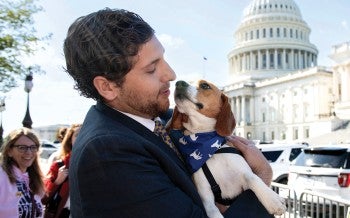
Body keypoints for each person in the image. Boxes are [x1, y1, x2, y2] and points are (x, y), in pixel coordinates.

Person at [64, 8, 273, 218]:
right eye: (151, 69)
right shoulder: (106, 153)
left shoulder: (167, 120)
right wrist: (261, 177)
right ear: (108, 87)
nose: (171, 74)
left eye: (163, 59)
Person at [0, 127, 45, 217]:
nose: (28, 152)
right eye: (22, 147)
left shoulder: (34, 178)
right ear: (9, 151)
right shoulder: (2, 176)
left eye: (33, 147)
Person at [42, 124, 81, 218]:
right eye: (77, 135)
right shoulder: (59, 166)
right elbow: (43, 199)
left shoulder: (98, 165)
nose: (82, 137)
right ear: (70, 140)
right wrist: (57, 181)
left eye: (85, 134)